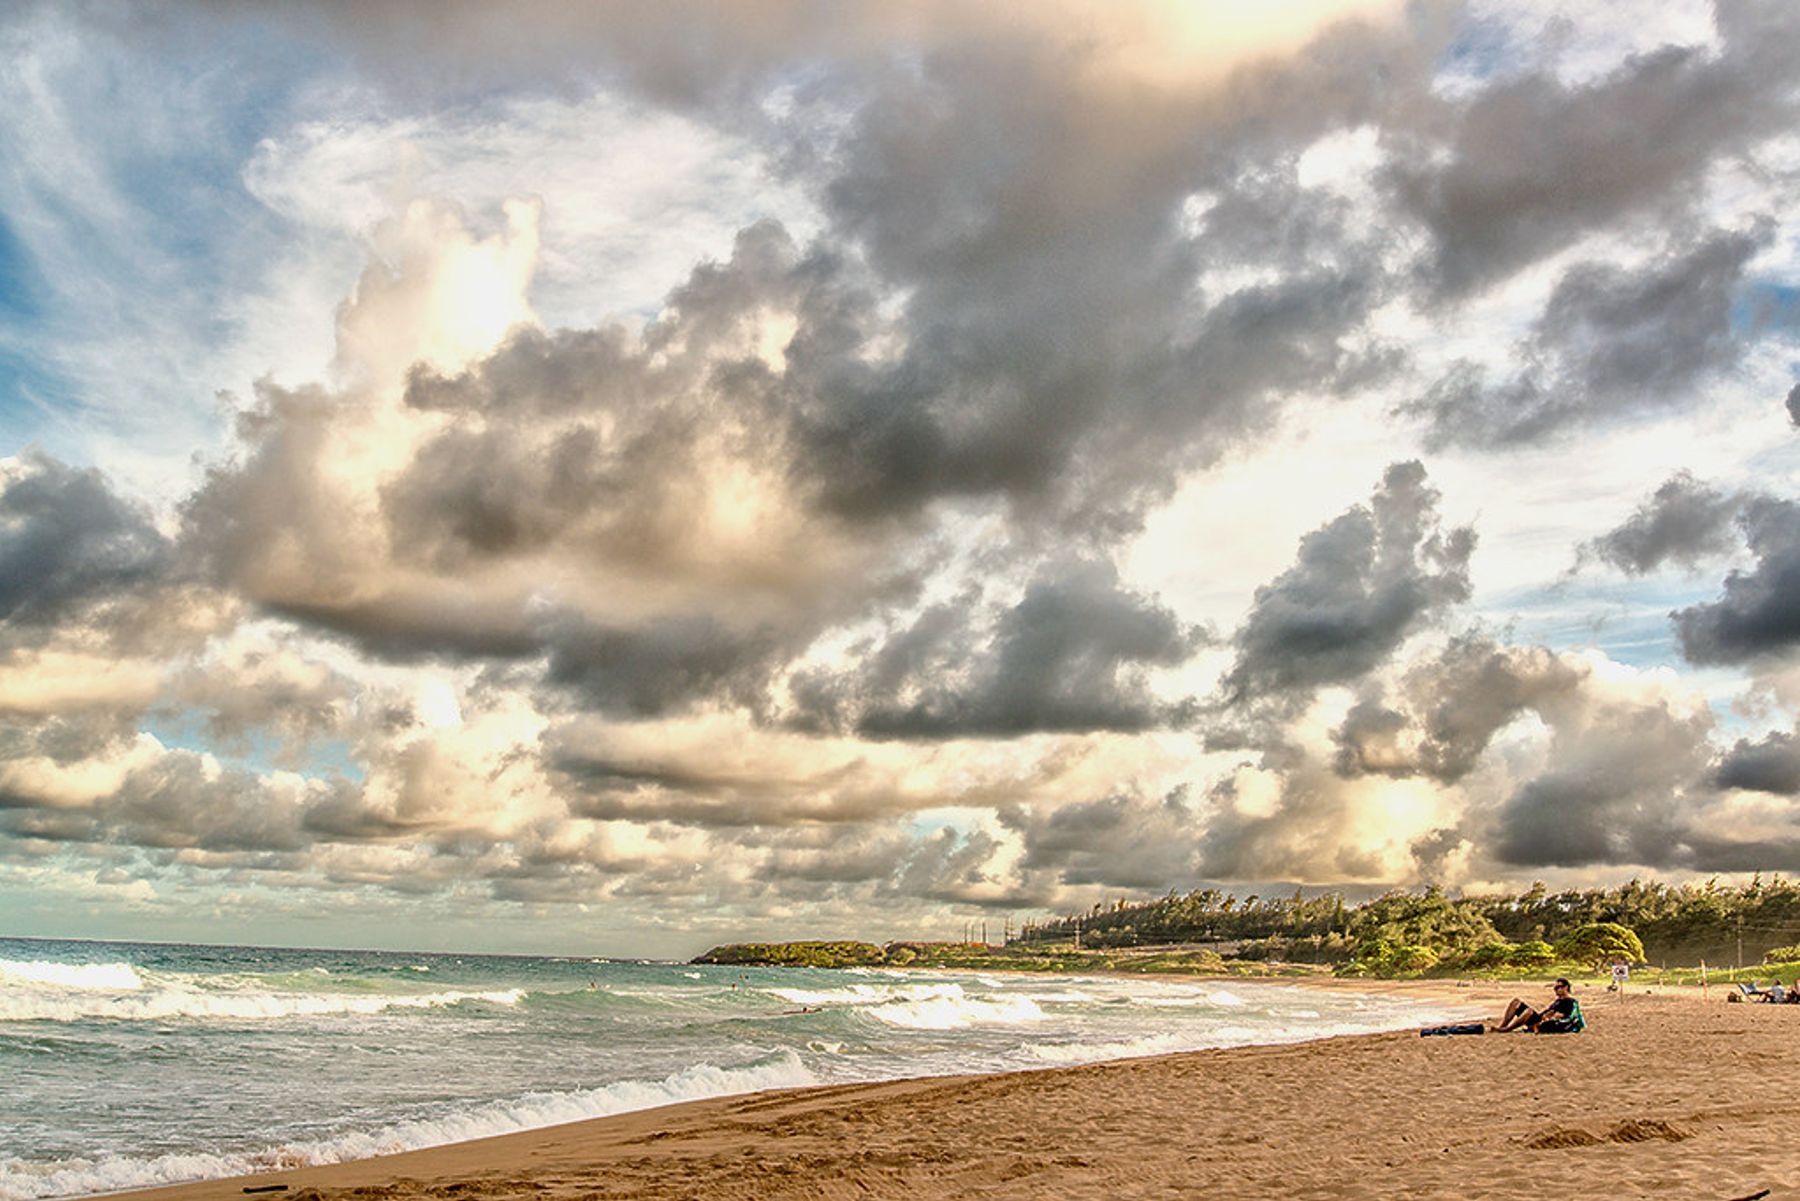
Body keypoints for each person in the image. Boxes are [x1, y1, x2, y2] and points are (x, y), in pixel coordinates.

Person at [1492, 978, 1583, 1033]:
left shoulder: (1569, 1002)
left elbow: (1561, 1016)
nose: (1556, 990)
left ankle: (1508, 1029)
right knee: (1516, 1002)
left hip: (1544, 1023)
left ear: (1566, 987)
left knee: (1529, 1011)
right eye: (1555, 988)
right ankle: (1503, 1026)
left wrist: (1548, 1017)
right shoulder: (1558, 1001)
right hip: (1539, 1018)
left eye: (1559, 987)